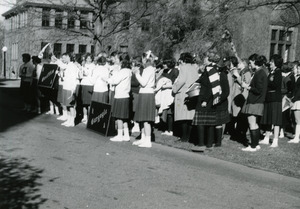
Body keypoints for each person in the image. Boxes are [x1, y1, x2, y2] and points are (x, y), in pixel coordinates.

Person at [191, 50, 229, 151]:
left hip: (206, 98)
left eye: (205, 57)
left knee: (201, 122)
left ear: (209, 59)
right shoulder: (214, 69)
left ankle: (201, 143)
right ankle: (209, 144)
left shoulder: (210, 70)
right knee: (210, 123)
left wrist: (204, 100)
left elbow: (209, 86)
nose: (204, 59)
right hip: (212, 99)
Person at [241, 54, 268, 152]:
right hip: (257, 101)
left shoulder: (259, 73)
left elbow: (258, 90)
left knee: (251, 123)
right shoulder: (260, 72)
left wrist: (247, 86)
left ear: (255, 62)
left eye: (251, 62)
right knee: (254, 124)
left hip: (255, 101)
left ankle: (252, 146)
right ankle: (255, 144)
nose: (250, 64)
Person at [172, 52, 199, 142]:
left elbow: (181, 81)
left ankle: (184, 137)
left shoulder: (183, 68)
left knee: (183, 117)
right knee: (189, 116)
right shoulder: (194, 68)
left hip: (183, 93)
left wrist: (174, 88)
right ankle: (188, 136)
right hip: (192, 92)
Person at [132, 51, 157, 148]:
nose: (141, 61)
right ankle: (143, 138)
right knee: (142, 118)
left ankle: (148, 140)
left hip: (147, 94)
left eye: (143, 59)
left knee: (146, 119)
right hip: (144, 94)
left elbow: (143, 83)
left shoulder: (149, 69)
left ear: (145, 59)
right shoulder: (148, 69)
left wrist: (137, 74)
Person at [259, 54, 283, 148]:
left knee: (275, 120)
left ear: (276, 63)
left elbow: (275, 84)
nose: (270, 63)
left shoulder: (278, 72)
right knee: (268, 119)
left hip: (275, 99)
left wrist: (267, 83)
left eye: (272, 62)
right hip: (269, 98)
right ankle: (267, 137)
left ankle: (275, 140)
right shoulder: (271, 72)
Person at [108, 53, 132, 142]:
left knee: (119, 117)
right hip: (125, 95)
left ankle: (119, 135)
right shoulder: (129, 71)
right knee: (124, 117)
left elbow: (115, 81)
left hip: (120, 96)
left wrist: (107, 79)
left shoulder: (123, 71)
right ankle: (126, 135)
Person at [55, 52, 80, 127]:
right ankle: (69, 120)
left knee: (71, 106)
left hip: (70, 88)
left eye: (65, 57)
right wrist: (60, 74)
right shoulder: (68, 65)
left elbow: (73, 78)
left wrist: (73, 90)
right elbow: (62, 66)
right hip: (66, 87)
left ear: (69, 57)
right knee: (67, 104)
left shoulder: (72, 66)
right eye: (62, 58)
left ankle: (72, 122)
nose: (63, 59)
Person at [79, 53, 96, 124]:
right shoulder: (83, 64)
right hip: (83, 84)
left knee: (89, 103)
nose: (88, 59)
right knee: (84, 103)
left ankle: (89, 118)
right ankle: (84, 117)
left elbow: (91, 75)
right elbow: (80, 75)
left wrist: (86, 72)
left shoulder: (93, 66)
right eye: (87, 58)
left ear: (92, 59)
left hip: (90, 84)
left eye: (90, 58)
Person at [289, 61, 300, 144]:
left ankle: (296, 137)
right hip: (296, 100)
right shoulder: (298, 78)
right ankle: (296, 136)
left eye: (299, 69)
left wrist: (293, 99)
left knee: (297, 120)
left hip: (298, 101)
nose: (298, 70)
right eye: (298, 68)